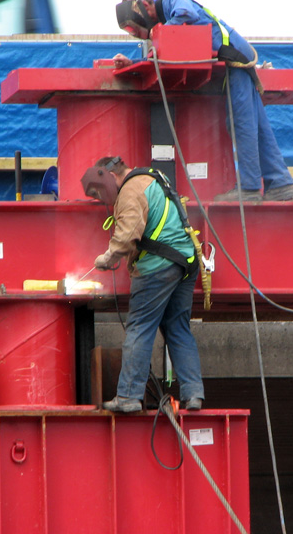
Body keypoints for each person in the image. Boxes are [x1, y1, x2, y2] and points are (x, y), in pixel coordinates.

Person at [114, 0, 293, 202]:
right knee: (257, 125)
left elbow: (187, 13)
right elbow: (163, 55)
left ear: (146, 5)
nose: (149, 33)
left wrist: (160, 36)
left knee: (241, 122)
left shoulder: (169, 0)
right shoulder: (169, 20)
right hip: (234, 60)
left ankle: (249, 188)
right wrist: (135, 62)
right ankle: (281, 184)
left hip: (234, 59)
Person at [88, 156, 205, 412]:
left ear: (109, 177)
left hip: (158, 266)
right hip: (186, 262)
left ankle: (129, 396)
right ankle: (193, 394)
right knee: (177, 327)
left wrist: (109, 256)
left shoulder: (131, 189)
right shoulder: (153, 179)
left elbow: (128, 233)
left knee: (139, 327)